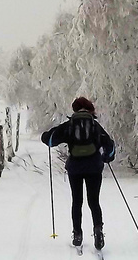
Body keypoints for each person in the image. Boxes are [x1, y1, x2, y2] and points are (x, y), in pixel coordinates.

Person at [40, 96, 116, 250]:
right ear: (90, 109)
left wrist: (46, 135)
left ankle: (77, 234)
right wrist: (106, 157)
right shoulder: (95, 126)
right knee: (94, 201)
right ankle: (98, 231)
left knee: (77, 201)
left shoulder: (69, 125)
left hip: (75, 168)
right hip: (94, 167)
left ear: (74, 109)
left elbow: (50, 139)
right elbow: (110, 145)